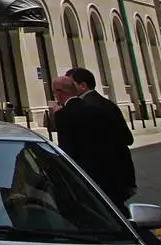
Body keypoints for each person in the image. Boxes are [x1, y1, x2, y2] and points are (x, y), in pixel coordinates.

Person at [58, 68, 136, 212]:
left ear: (82, 85)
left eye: (71, 84)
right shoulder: (106, 104)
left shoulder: (84, 109)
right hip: (117, 176)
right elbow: (126, 139)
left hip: (98, 180)